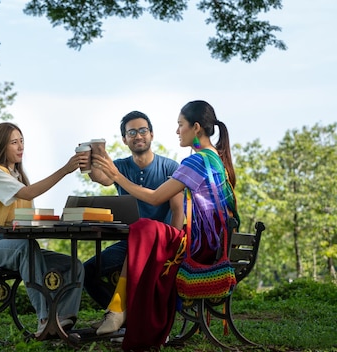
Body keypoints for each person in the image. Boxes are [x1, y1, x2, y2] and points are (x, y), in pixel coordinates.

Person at [91, 100, 240, 350]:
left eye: (180, 125)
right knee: (146, 230)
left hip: (203, 247)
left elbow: (155, 197)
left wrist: (117, 177)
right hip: (215, 243)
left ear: (195, 128)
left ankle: (119, 310)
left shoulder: (196, 160)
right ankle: (120, 310)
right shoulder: (214, 157)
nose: (177, 131)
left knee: (145, 228)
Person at [0, 122, 89, 338]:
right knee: (27, 248)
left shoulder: (15, 175)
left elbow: (25, 218)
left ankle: (62, 319)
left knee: (73, 265)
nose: (20, 147)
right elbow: (27, 193)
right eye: (14, 142)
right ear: (0, 146)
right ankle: (45, 320)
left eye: (22, 141)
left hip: (14, 244)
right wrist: (65, 170)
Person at [84, 111, 185, 312]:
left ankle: (139, 316)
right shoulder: (119, 167)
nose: (138, 136)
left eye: (142, 130)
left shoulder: (170, 167)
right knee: (86, 271)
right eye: (132, 132)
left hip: (160, 244)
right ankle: (122, 317)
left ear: (151, 134)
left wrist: (171, 250)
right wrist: (88, 160)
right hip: (128, 243)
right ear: (124, 139)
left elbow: (177, 211)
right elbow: (101, 178)